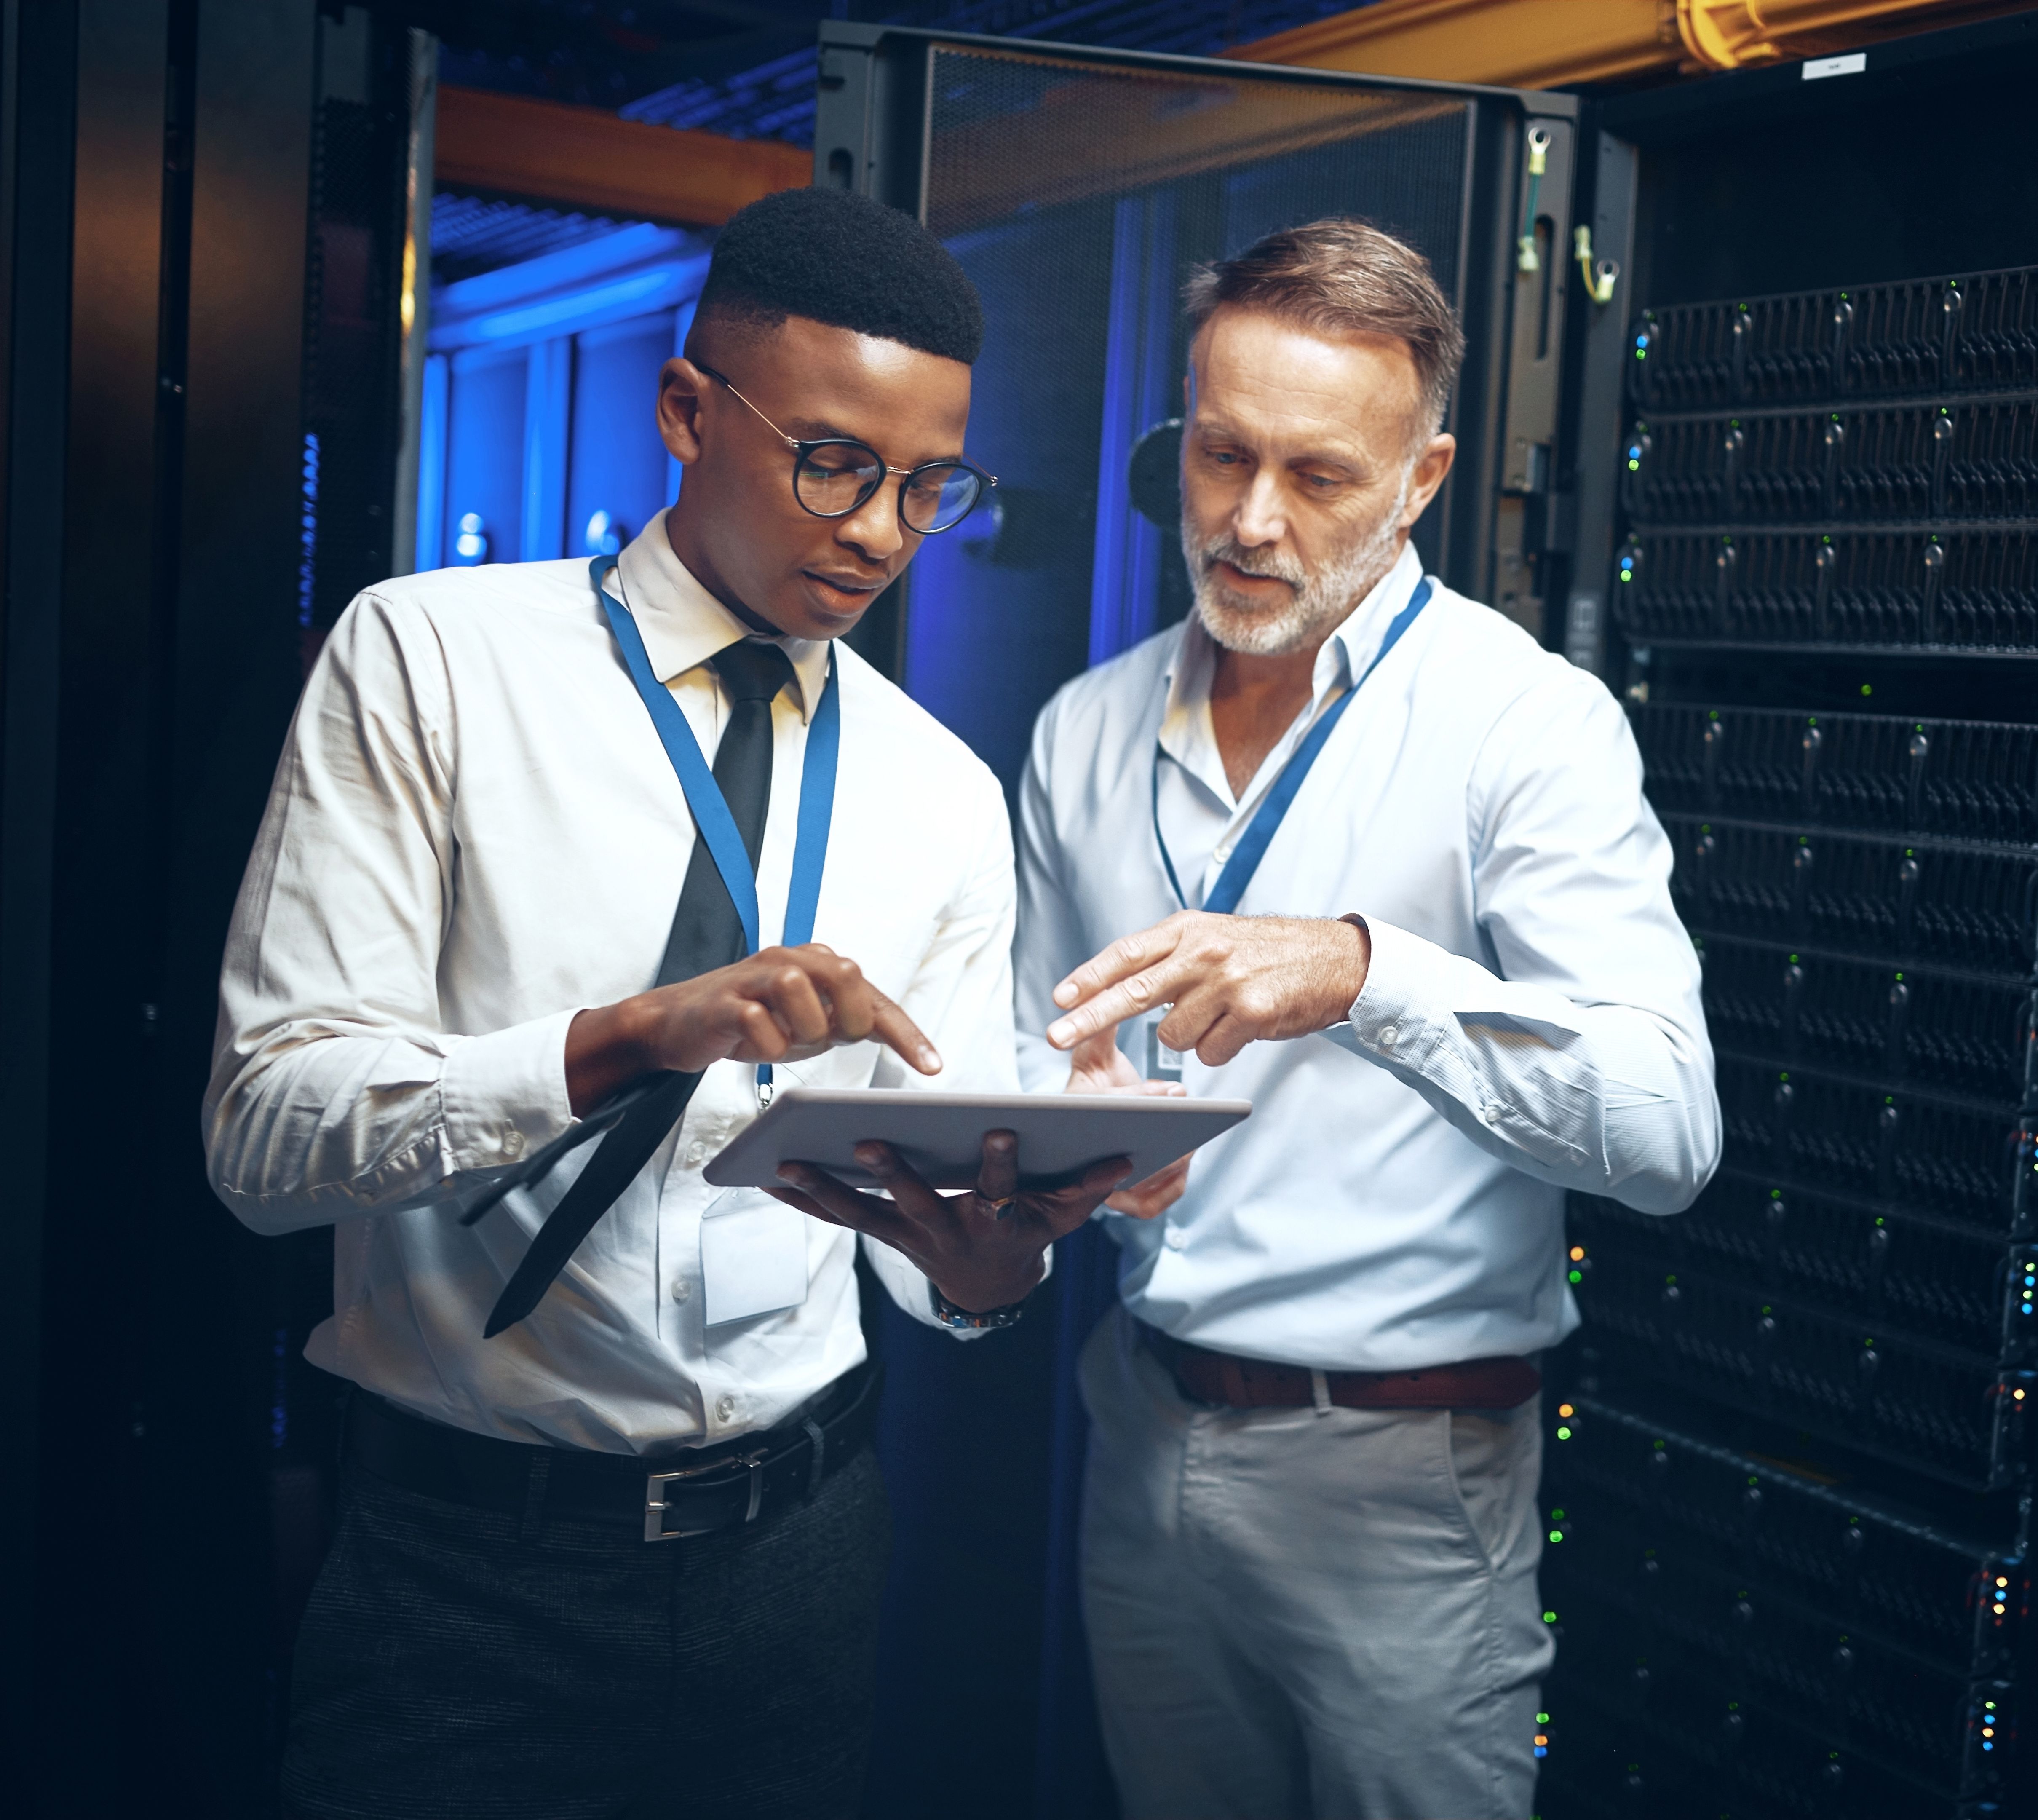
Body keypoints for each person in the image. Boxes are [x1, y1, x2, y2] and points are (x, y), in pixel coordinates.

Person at [204, 186, 1119, 1820]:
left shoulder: (944, 794)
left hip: (809, 1557)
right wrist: (630, 1038)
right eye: (834, 462)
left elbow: (932, 1263)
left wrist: (997, 1261)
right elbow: (264, 1140)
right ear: (688, 411)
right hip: (465, 1574)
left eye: (930, 486)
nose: (882, 532)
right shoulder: (429, 662)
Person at [1009, 219, 1722, 1820]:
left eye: (1320, 477)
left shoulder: (1525, 728)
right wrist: (1076, 1145)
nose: (1251, 522)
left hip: (1406, 1482)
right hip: (1139, 1424)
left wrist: (1362, 971)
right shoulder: (1083, 730)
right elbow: (1037, 1046)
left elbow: (1671, 1133)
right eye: (1220, 455)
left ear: (1422, 480)